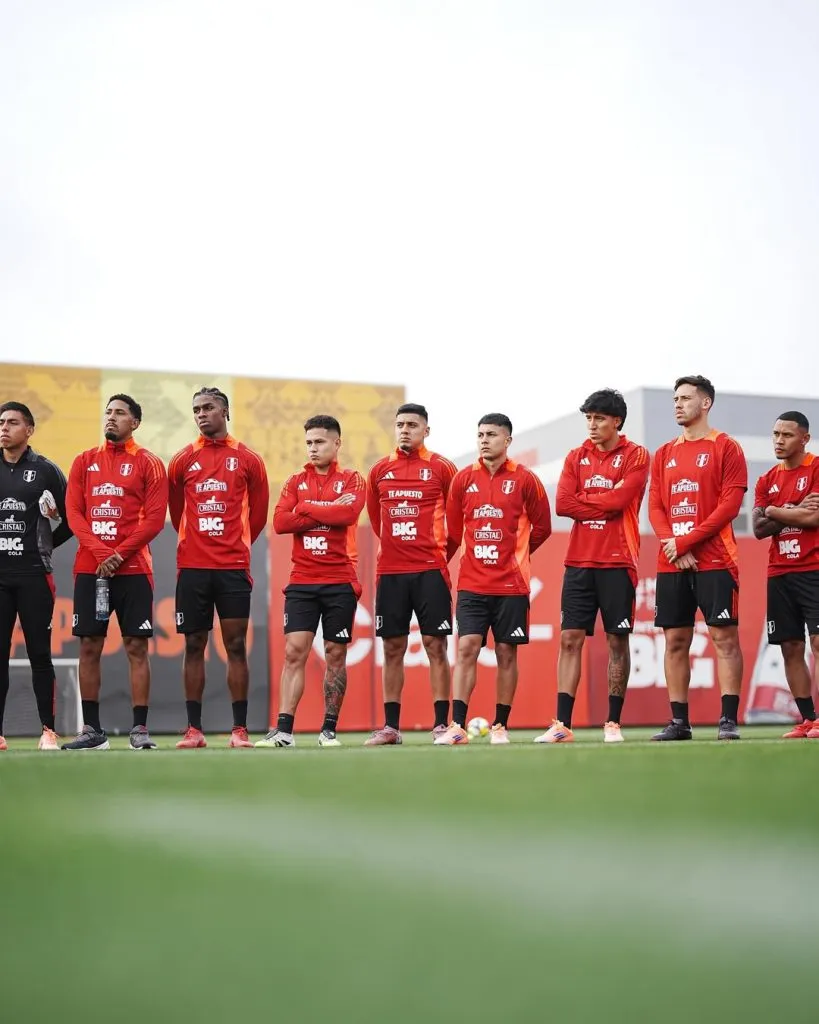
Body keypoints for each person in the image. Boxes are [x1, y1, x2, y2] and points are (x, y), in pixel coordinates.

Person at [536, 388, 649, 744]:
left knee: (618, 641)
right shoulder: (575, 456)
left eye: (599, 418)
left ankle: (613, 723)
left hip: (618, 562)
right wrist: (600, 502)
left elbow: (620, 502)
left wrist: (588, 501)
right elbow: (563, 504)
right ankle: (562, 725)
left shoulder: (636, 455)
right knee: (569, 639)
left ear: (616, 421)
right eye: (588, 418)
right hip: (579, 563)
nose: (592, 424)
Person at [434, 413, 552, 745]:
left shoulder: (526, 479)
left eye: (491, 435)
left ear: (507, 440)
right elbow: (455, 530)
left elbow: (541, 527)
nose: (484, 440)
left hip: (512, 585)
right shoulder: (462, 479)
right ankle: (457, 726)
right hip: (472, 583)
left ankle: (500, 726)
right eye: (480, 434)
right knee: (467, 646)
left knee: (506, 653)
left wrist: (516, 555)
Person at [62, 395, 168, 750]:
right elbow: (74, 515)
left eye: (120, 413)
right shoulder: (84, 461)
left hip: (135, 570)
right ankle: (92, 731)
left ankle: (139, 730)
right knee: (89, 645)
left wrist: (119, 553)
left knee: (136, 646)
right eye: (108, 412)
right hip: (91, 569)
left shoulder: (149, 463)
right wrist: (101, 552)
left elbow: (154, 520)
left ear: (134, 422)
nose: (111, 418)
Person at [168, 387, 269, 748]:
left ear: (225, 411)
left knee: (236, 645)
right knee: (194, 644)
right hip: (193, 567)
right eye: (196, 409)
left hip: (232, 566)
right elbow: (177, 511)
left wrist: (234, 545)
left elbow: (257, 515)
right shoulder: (182, 460)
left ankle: (239, 730)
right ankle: (193, 730)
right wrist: (195, 543)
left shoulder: (248, 459)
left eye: (208, 407)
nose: (201, 414)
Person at [257, 415, 366, 748]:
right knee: (294, 652)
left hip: (340, 580)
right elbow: (280, 522)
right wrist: (322, 507)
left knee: (335, 653)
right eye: (309, 443)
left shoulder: (352, 479)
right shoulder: (295, 481)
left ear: (336, 443)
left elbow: (347, 515)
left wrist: (305, 509)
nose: (313, 448)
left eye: (319, 442)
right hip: (302, 580)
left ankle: (328, 730)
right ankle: (285, 730)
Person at [648, 375, 747, 741]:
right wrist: (673, 544)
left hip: (717, 559)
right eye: (675, 398)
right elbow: (655, 505)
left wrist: (687, 541)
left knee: (724, 639)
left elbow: (729, 506)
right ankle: (679, 722)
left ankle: (728, 721)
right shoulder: (664, 453)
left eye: (686, 398)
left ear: (705, 403)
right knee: (675, 640)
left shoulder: (727, 447)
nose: (677, 404)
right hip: (671, 560)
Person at [364, 403, 458, 745]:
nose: (405, 430)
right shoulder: (379, 471)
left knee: (436, 645)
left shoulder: (442, 468)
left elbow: (457, 522)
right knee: (392, 647)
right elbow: (377, 520)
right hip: (391, 571)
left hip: (431, 571)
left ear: (426, 431)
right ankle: (391, 728)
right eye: (400, 424)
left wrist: (437, 555)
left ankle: (440, 725)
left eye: (413, 425)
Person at [0, 401, 72, 751]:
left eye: (12, 423)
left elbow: (72, 520)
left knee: (39, 655)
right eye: (1, 422)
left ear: (29, 430)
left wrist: (44, 545)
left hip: (34, 576)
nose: (4, 428)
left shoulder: (45, 470)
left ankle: (48, 731)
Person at [752, 412, 819, 738]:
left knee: (818, 643)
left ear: (804, 439)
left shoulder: (817, 468)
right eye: (776, 434)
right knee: (790, 647)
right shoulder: (766, 480)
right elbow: (758, 528)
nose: (779, 440)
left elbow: (814, 518)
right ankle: (808, 719)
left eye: (787, 435)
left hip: (814, 568)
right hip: (779, 572)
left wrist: (776, 510)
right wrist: (795, 508)